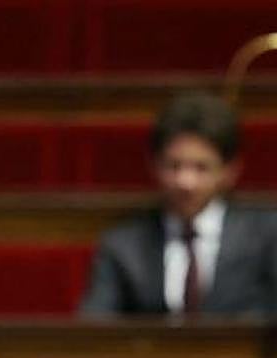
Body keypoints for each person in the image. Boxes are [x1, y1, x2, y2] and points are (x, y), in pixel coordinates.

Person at [81, 90, 277, 315]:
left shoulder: (268, 237)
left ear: (229, 171)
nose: (185, 182)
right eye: (174, 166)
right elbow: (94, 331)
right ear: (154, 165)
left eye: (201, 167)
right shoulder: (122, 246)